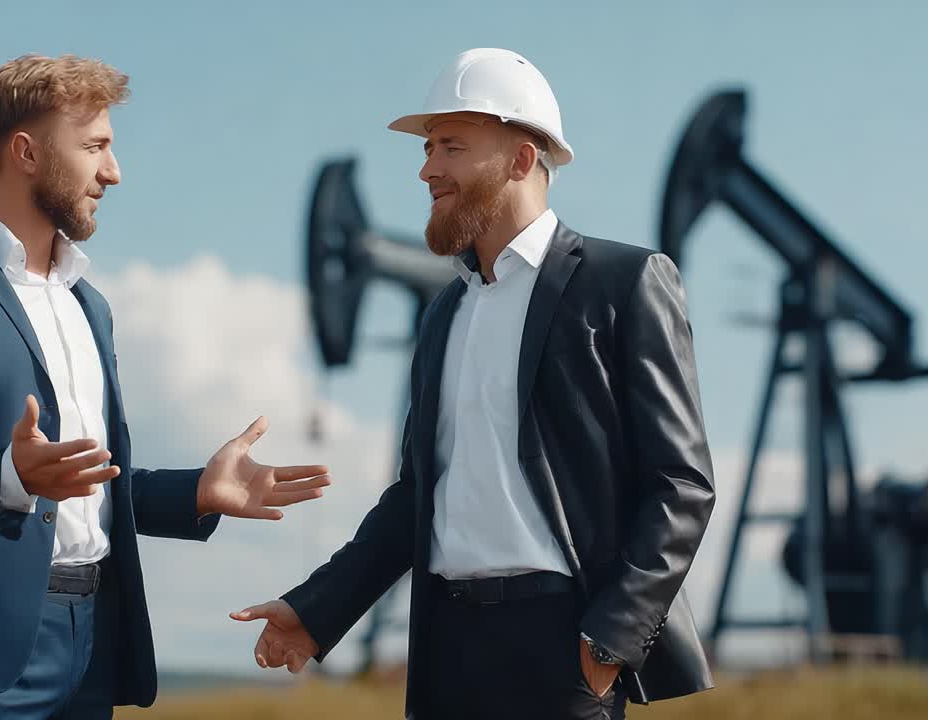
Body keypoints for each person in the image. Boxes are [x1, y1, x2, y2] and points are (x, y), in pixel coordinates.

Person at [233, 48, 716, 719]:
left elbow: (682, 484)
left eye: (452, 147)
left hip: (564, 649)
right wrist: (316, 610)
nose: (427, 168)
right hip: (448, 651)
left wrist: (613, 636)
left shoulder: (624, 284)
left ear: (522, 158)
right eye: (428, 148)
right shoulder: (444, 313)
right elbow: (416, 497)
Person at [0, 53, 331, 719]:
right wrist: (7, 475)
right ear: (26, 152)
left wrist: (196, 491)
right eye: (94, 146)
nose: (113, 171)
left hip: (94, 648)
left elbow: (87, 482)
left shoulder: (90, 305)